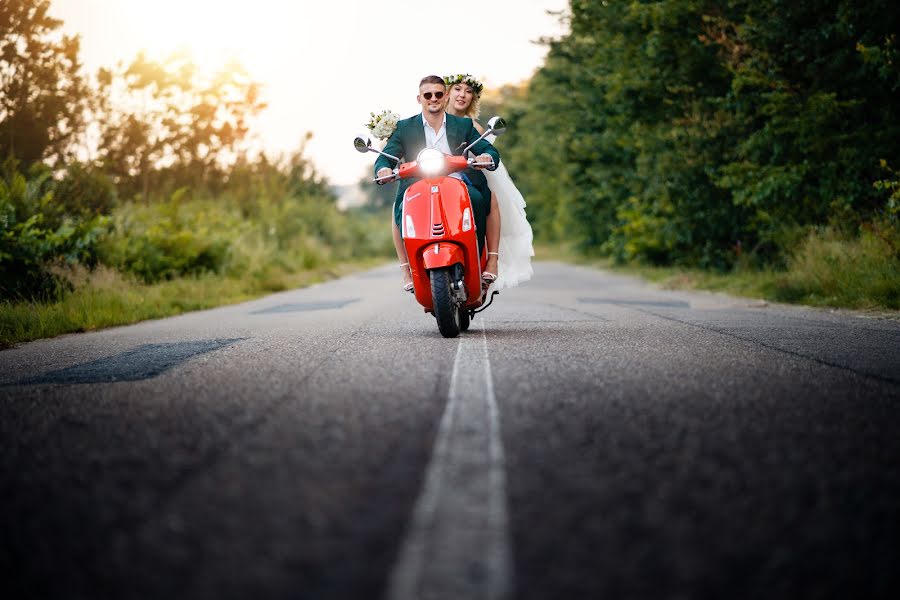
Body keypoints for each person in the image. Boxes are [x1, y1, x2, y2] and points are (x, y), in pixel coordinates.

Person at [375, 75, 500, 292]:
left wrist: (486, 157)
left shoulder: (463, 124)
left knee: (479, 200)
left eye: (438, 94)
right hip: (417, 185)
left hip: (457, 183)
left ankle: (475, 260)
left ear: (445, 97)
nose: (433, 99)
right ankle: (409, 268)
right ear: (419, 98)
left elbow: (488, 149)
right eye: (428, 95)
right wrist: (383, 168)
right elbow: (385, 157)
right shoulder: (405, 127)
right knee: (401, 211)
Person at [445, 73, 534, 290]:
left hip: (465, 176)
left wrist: (482, 158)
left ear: (473, 99)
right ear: (447, 93)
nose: (462, 95)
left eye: (468, 92)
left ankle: (491, 259)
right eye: (458, 89)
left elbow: (485, 152)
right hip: (434, 178)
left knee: (490, 199)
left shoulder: (472, 126)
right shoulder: (431, 121)